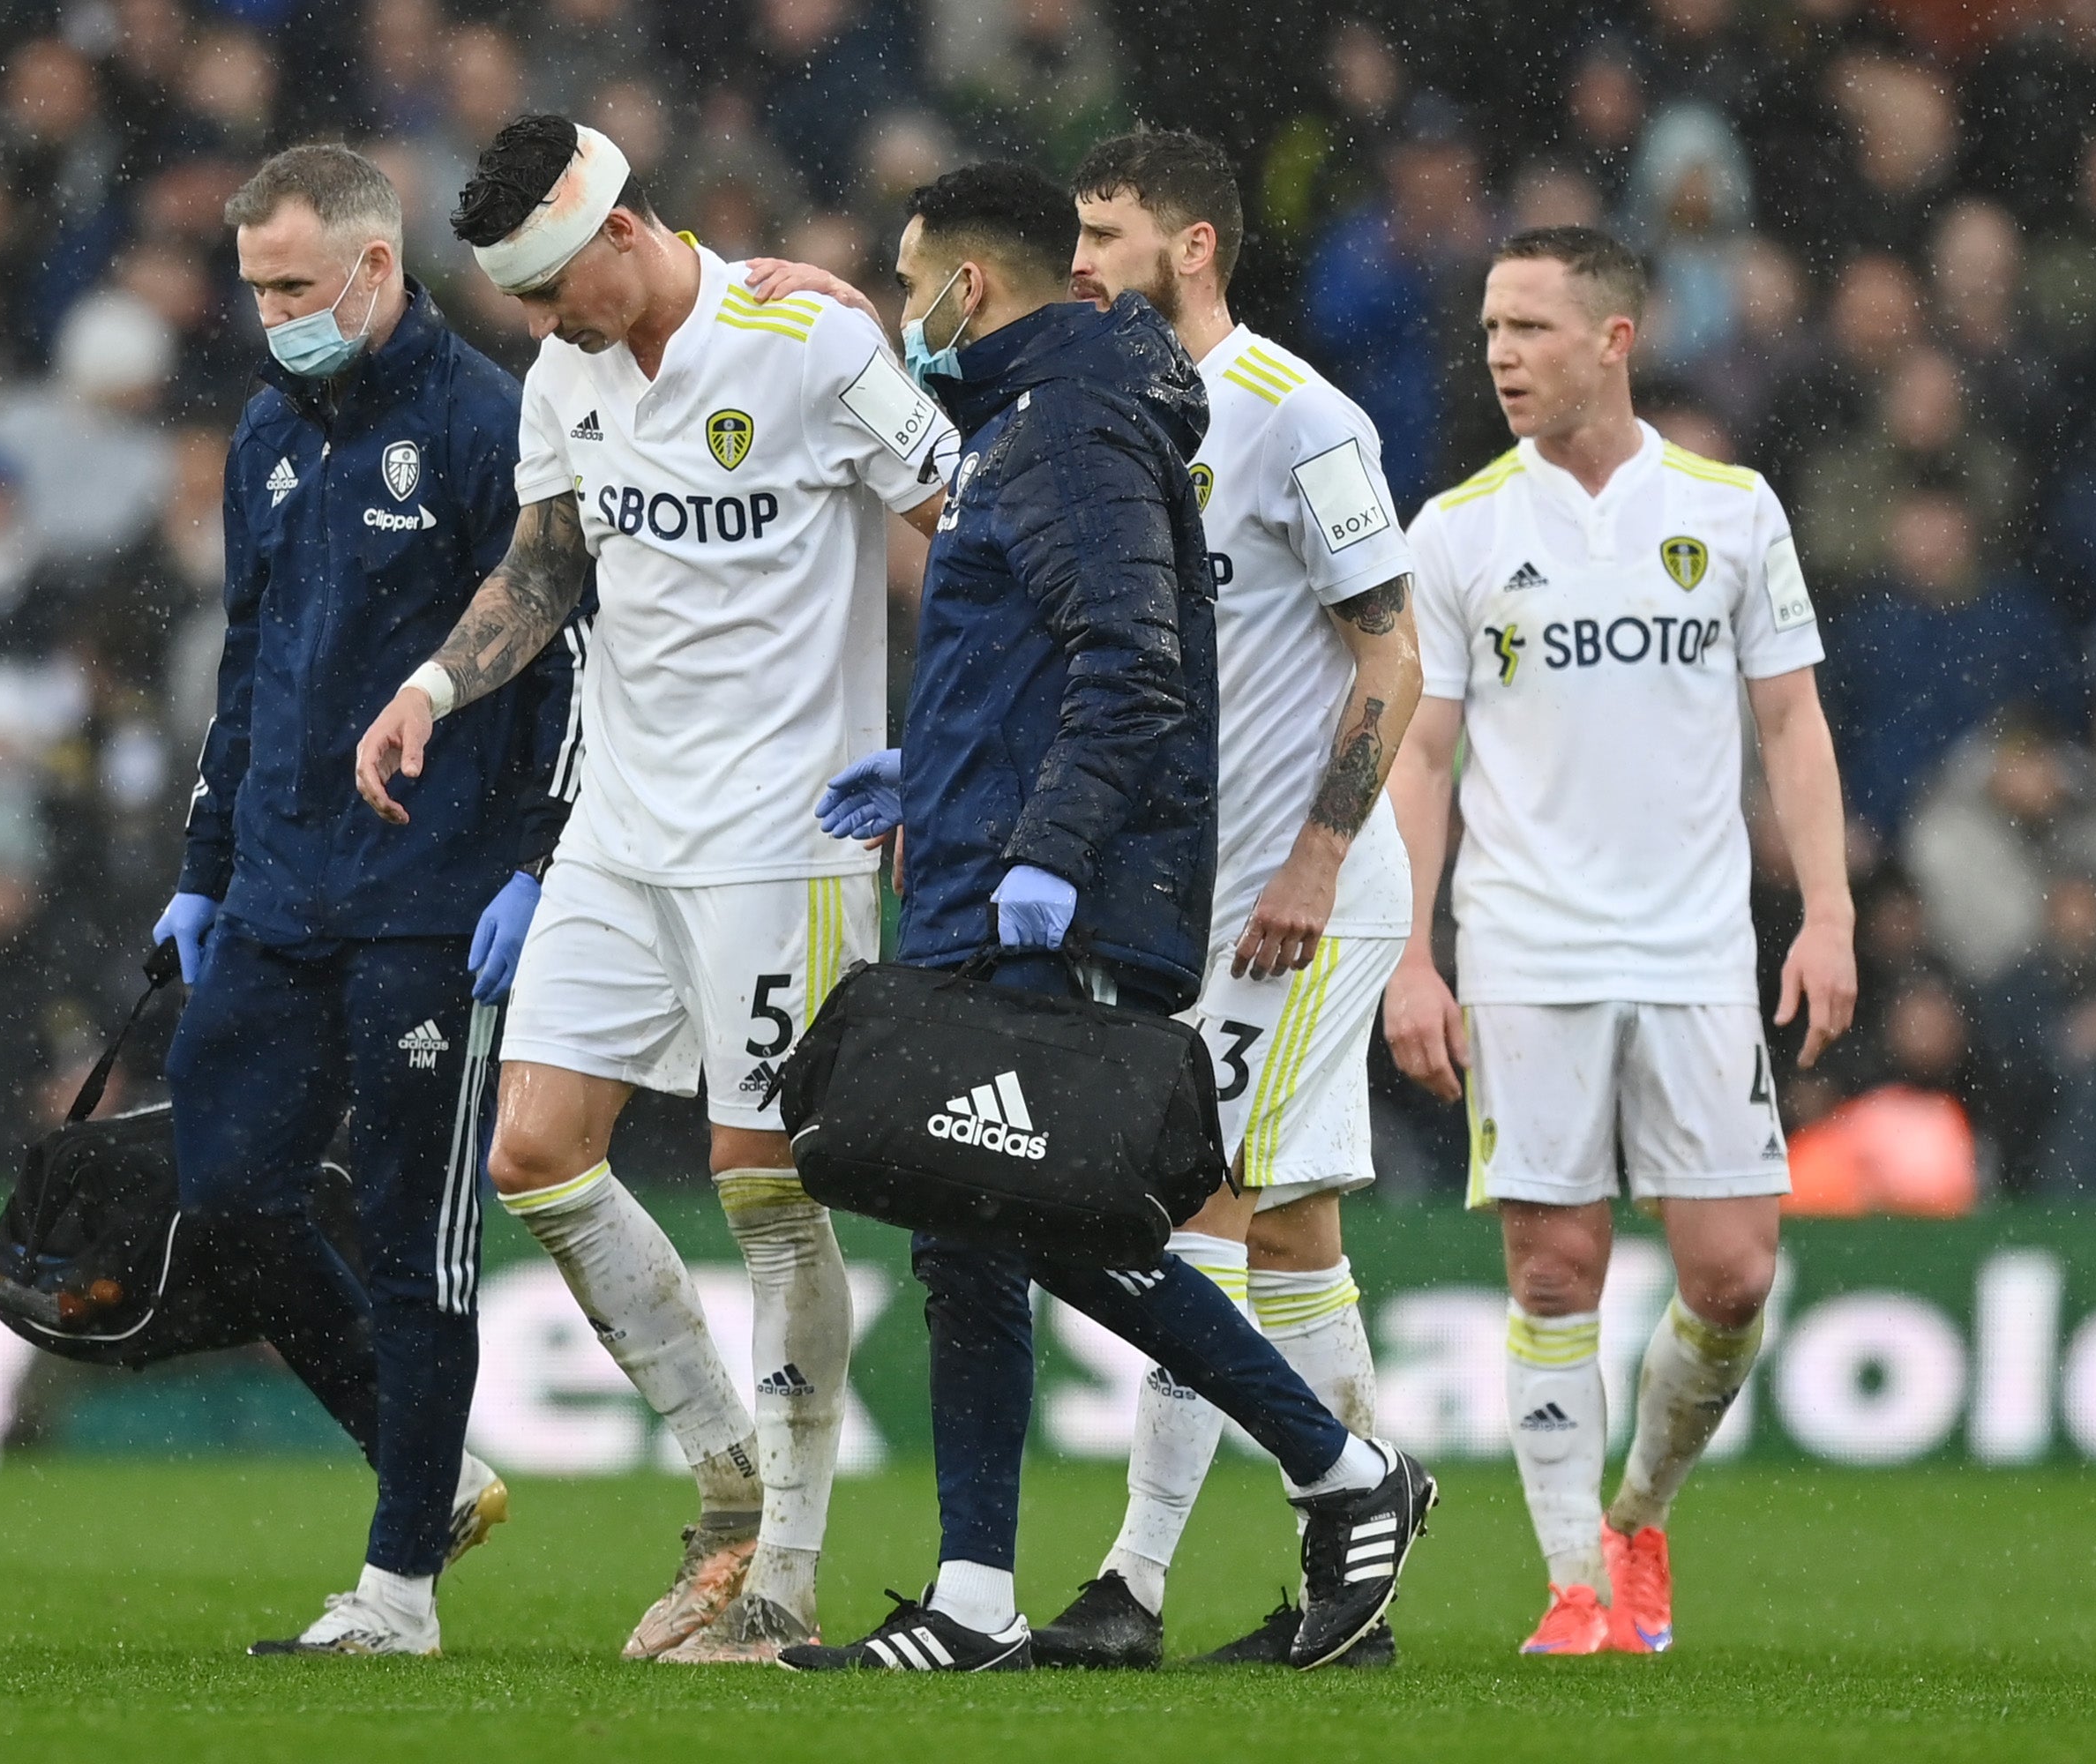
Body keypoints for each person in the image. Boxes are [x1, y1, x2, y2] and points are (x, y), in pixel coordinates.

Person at [778, 162, 1436, 1677]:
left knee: (1074, 1215)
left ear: (969, 287)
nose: (900, 308)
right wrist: (937, 776)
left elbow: (1147, 661)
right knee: (986, 1225)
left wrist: (1059, 850)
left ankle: (1330, 1476)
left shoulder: (1098, 420)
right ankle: (987, 1598)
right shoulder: (1038, 416)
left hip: (1114, 889)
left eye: (906, 280)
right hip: (1042, 867)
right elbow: (1048, 651)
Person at [351, 116, 954, 1663]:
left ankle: (784, 1578)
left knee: (767, 1185)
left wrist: (953, 750)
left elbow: (965, 520)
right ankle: (731, 1481)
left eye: (558, 290)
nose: (546, 331)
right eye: (527, 307)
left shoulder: (810, 337)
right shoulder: (568, 377)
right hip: (621, 829)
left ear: (620, 230)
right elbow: (551, 566)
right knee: (537, 1156)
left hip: (785, 832)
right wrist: (433, 683)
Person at [1384, 226, 1858, 1656]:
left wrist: (1826, 913)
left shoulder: (1730, 510)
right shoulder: (1460, 528)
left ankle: (1637, 1512)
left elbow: (1791, 721)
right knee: (1552, 1273)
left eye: (1529, 327)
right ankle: (1568, 1590)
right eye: (1486, 331)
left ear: (1614, 339)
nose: (1501, 355)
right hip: (1527, 952)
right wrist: (1412, 954)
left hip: (1698, 951)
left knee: (1732, 1276)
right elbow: (1423, 759)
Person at [160, 144, 576, 1657]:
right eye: (255, 284)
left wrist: (534, 862)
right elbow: (247, 671)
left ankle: (398, 1593)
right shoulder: (267, 437)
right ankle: (435, 1465)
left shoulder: (490, 427)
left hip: (430, 900)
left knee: (418, 1243)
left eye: (294, 283)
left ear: (378, 268)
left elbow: (556, 661)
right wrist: (202, 873)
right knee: (228, 1198)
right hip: (276, 892)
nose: (272, 313)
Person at [1043, 129, 1423, 1671]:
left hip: (1300, 892)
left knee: (1194, 1212)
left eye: (1105, 232)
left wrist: (1317, 863)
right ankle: (1372, 1553)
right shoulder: (1112, 414)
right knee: (1295, 1241)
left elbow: (1393, 660)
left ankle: (1130, 1588)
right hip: (1184, 900)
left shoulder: (1303, 422)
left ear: (1192, 246)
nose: (1079, 259)